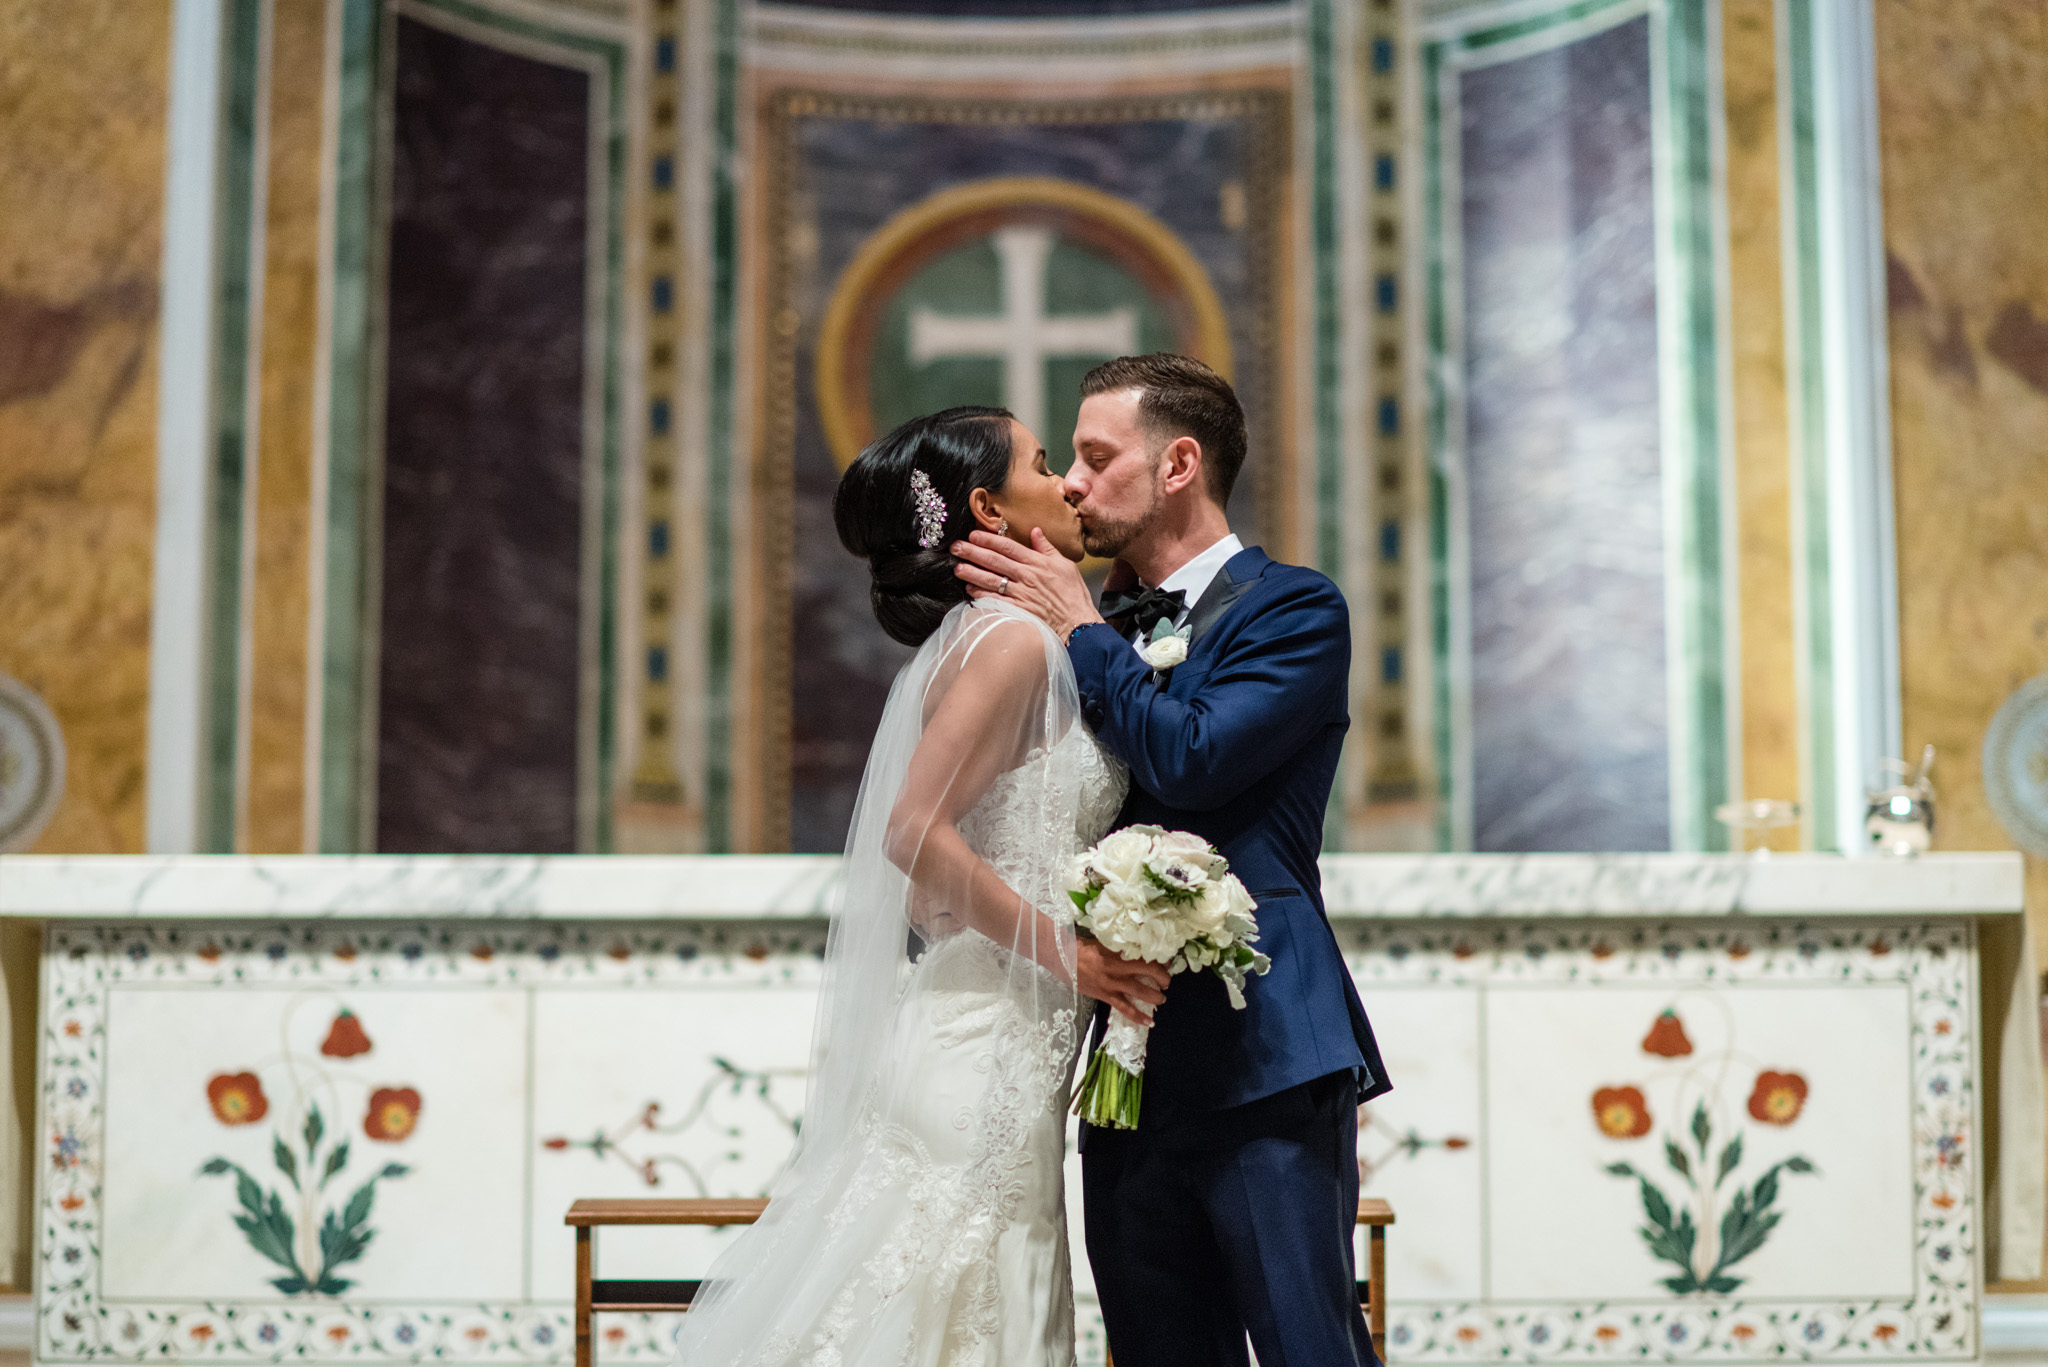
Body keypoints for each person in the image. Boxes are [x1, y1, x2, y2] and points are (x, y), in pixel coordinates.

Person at [666, 405, 1163, 1367]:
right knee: (959, 1299)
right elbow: (908, 831)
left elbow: (940, 893)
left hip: (989, 1033)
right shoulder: (1013, 644)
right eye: (1043, 461)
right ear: (988, 505)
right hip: (978, 1052)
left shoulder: (993, 640)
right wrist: (1066, 948)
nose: (1066, 483)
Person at [952, 354, 1392, 1367]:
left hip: (1264, 1053)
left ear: (1179, 462)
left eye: (1096, 456)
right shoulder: (1073, 631)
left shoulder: (1293, 608)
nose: (1067, 479)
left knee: (1302, 1347)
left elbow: (1191, 759)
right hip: (1123, 1071)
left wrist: (1082, 625)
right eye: (1066, 457)